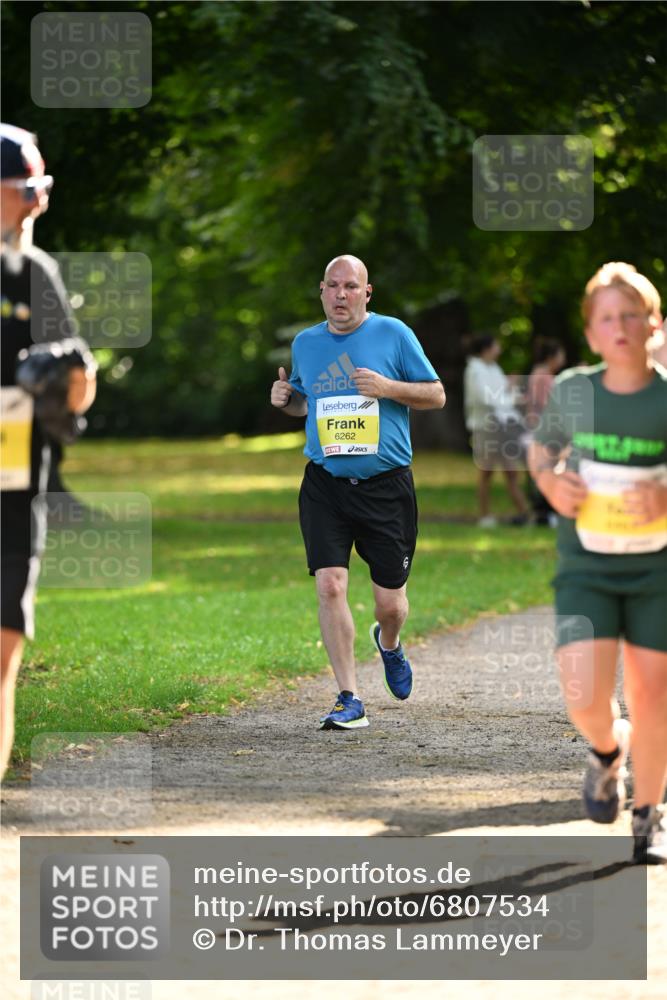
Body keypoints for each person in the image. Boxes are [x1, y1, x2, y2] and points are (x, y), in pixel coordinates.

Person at [528, 261, 667, 864]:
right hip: (586, 567)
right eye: (606, 318)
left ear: (652, 323)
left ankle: (649, 815)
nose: (620, 327)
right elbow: (542, 452)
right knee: (584, 694)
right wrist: (551, 483)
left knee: (653, 693)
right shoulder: (575, 391)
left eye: (631, 315)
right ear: (591, 333)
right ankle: (609, 754)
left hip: (657, 571)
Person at [270, 254, 445, 730]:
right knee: (330, 584)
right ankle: (349, 696)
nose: (341, 294)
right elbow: (306, 404)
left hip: (387, 487)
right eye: (333, 286)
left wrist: (388, 387)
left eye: (351, 287)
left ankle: (388, 643)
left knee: (391, 605)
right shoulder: (307, 343)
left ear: (366, 293)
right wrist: (287, 401)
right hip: (326, 484)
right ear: (322, 290)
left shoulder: (393, 334)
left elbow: (437, 394)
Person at [1, 123, 96, 778]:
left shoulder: (38, 275)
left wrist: (75, 373)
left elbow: (81, 398)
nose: (39, 201)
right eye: (25, 187)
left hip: (13, 488)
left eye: (44, 186)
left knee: (4, 651)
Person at [463, 334, 529, 527]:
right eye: (496, 345)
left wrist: (512, 389)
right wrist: (512, 397)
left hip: (502, 425)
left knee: (511, 470)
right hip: (486, 427)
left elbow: (502, 393)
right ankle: (484, 516)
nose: (499, 349)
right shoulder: (475, 370)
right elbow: (485, 398)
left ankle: (524, 513)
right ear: (486, 348)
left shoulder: (493, 368)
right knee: (487, 471)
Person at [525, 338, 566, 525]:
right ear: (552, 356)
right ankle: (545, 513)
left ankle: (545, 512)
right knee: (547, 468)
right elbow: (546, 404)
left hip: (540, 426)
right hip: (543, 428)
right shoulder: (543, 376)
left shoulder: (540, 373)